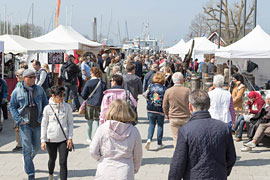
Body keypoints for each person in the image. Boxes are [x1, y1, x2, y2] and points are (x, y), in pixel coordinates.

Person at [168, 90, 236, 180]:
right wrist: (222, 171)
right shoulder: (223, 128)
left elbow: (178, 164)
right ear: (209, 106)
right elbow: (231, 157)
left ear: (190, 107)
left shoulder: (185, 130)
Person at [89, 99, 143, 180]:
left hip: (105, 170)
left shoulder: (103, 128)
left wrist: (101, 158)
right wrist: (135, 168)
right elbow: (138, 154)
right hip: (125, 171)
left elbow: (93, 150)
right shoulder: (134, 131)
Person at [9, 69, 48, 180]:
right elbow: (12, 106)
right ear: (24, 78)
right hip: (24, 123)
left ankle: (27, 160)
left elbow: (45, 103)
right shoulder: (17, 90)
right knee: (26, 148)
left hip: (38, 121)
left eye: (34, 77)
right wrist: (18, 120)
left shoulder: (40, 89)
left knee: (36, 148)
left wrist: (45, 116)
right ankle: (30, 173)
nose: (33, 79)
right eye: (30, 77)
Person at [41, 86, 73, 180]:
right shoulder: (47, 108)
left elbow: (70, 123)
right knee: (52, 159)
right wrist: (43, 140)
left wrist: (70, 137)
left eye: (64, 95)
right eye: (60, 95)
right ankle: (51, 174)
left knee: (63, 163)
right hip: (51, 139)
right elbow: (44, 125)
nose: (62, 97)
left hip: (64, 138)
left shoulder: (67, 107)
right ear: (53, 96)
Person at [163, 72, 190, 148]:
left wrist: (166, 114)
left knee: (176, 138)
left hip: (174, 117)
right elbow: (191, 103)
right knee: (186, 137)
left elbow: (164, 105)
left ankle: (178, 155)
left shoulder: (168, 91)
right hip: (186, 117)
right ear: (182, 80)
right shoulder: (187, 90)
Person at [81, 67, 106, 143]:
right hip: (99, 104)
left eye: (91, 73)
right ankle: (96, 137)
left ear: (93, 73)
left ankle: (89, 138)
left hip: (90, 104)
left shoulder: (88, 82)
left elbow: (83, 94)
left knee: (89, 122)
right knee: (97, 121)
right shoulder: (102, 83)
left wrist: (86, 98)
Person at [144, 72, 167, 150]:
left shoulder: (150, 86)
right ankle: (159, 143)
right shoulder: (164, 88)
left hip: (151, 108)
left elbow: (145, 95)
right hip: (160, 109)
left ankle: (149, 139)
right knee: (160, 125)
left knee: (151, 124)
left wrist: (148, 100)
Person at [11, 68, 25, 152]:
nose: (16, 76)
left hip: (20, 110)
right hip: (18, 110)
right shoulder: (19, 84)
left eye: (17, 75)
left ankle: (20, 144)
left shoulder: (20, 84)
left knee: (18, 128)